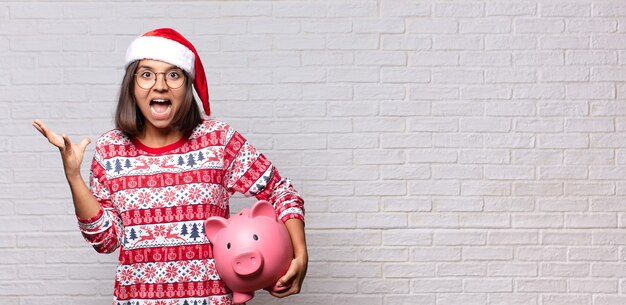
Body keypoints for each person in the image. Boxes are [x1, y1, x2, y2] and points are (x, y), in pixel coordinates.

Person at [32, 28, 307, 305]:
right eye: (147, 74)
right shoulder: (110, 149)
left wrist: (299, 255)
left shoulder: (218, 141)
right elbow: (106, 240)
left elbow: (280, 192)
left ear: (186, 86)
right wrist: (73, 176)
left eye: (173, 75)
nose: (160, 85)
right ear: (132, 85)